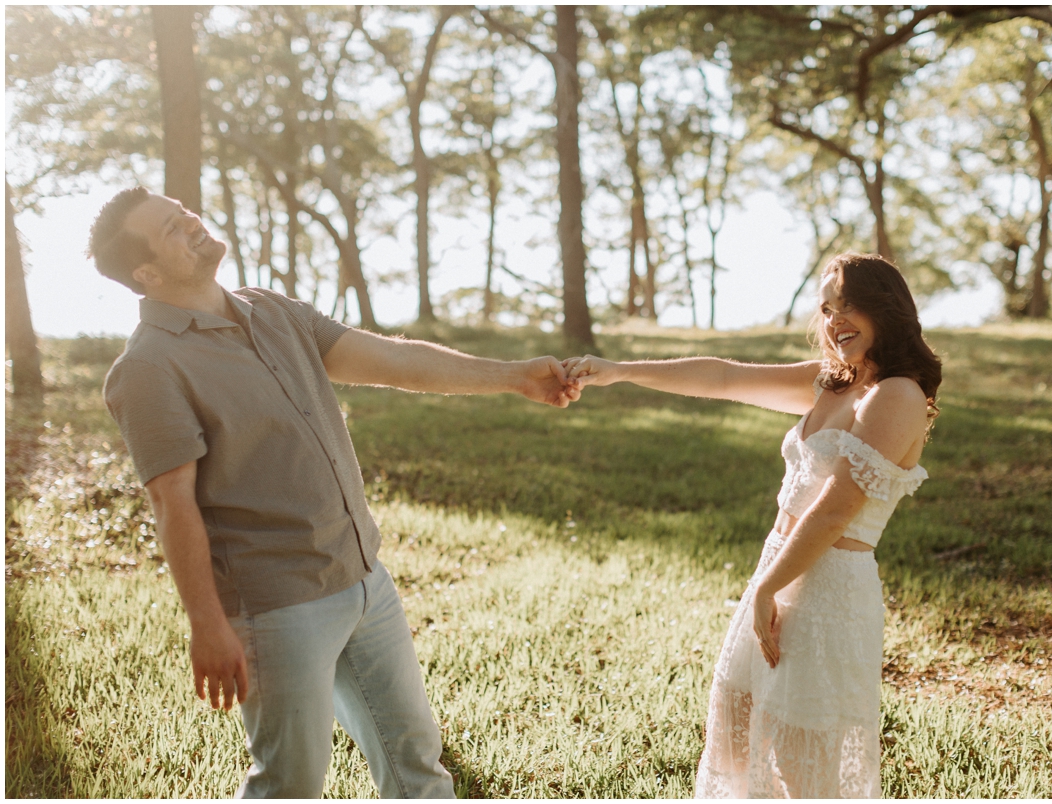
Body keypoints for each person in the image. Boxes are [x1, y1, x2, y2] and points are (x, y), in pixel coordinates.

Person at [88, 187, 581, 798]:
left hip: (365, 581)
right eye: (169, 227)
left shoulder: (269, 310)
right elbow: (173, 504)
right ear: (147, 273)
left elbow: (393, 359)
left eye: (182, 209)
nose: (190, 219)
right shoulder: (149, 366)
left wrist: (511, 378)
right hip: (277, 609)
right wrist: (207, 625)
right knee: (289, 785)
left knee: (417, 764)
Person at [564, 253, 942, 798]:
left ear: (887, 309)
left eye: (849, 307)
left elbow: (837, 509)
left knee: (799, 758)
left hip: (826, 588)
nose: (835, 321)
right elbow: (724, 376)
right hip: (780, 568)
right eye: (827, 309)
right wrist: (620, 371)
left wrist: (769, 585)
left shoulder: (896, 394)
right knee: (736, 731)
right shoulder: (835, 384)